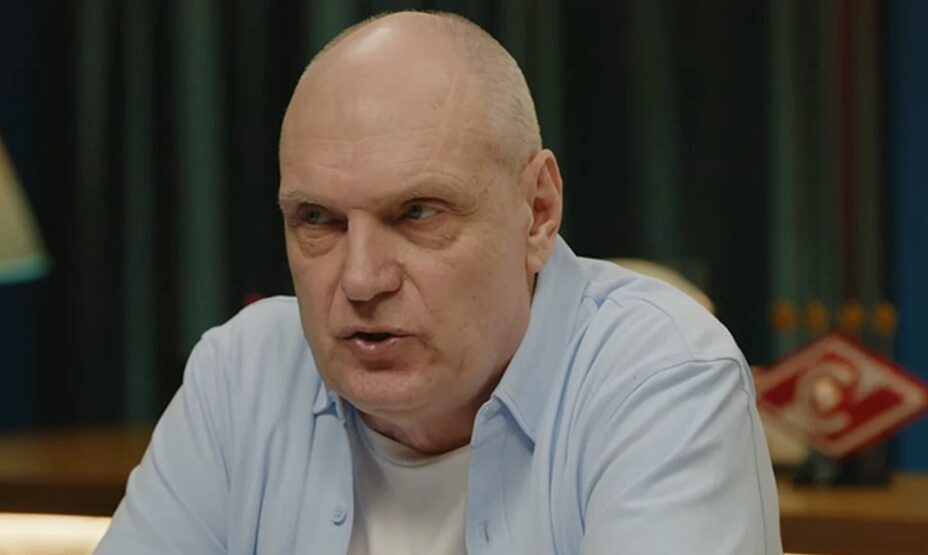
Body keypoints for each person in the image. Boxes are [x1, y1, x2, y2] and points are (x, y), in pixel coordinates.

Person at [95, 10, 781, 555]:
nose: (361, 279)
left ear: (538, 210)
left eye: (418, 213)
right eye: (318, 220)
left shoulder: (661, 377)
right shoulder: (241, 376)